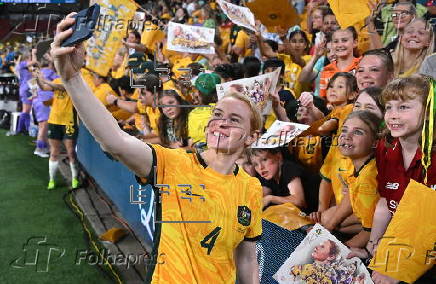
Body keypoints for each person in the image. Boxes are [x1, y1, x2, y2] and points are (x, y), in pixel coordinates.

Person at [51, 13, 263, 283]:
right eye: (217, 115)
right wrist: (72, 79)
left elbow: (246, 257)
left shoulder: (251, 188)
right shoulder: (175, 164)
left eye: (234, 120)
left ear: (251, 136)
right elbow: (114, 141)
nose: (221, 123)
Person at [349, 75, 436, 284]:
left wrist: (400, 264)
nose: (393, 116)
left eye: (404, 107)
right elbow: (386, 203)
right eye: (389, 107)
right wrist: (371, 250)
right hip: (401, 242)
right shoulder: (385, 147)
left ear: (427, 111)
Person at [321, 111, 381, 248]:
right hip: (368, 216)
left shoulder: (368, 177)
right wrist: (326, 229)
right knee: (327, 219)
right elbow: (350, 195)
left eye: (358, 132)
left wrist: (340, 251)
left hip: (381, 227)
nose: (346, 136)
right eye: (344, 130)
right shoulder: (360, 165)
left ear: (375, 142)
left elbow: (370, 231)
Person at [35, 68, 79, 190]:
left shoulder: (73, 82)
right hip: (54, 121)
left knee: (70, 152)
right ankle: (52, 180)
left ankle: (75, 178)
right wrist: (38, 79)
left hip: (69, 121)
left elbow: (62, 87)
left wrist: (45, 80)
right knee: (54, 152)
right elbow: (44, 88)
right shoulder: (56, 80)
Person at [319, 27, 361, 98]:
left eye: (344, 40)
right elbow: (323, 99)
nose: (340, 45)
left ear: (355, 42)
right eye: (336, 41)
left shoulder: (362, 65)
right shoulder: (326, 70)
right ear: (332, 44)